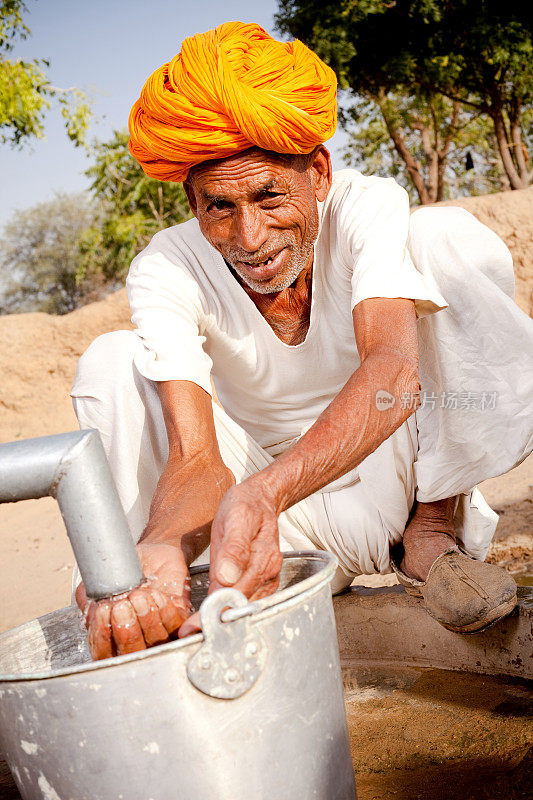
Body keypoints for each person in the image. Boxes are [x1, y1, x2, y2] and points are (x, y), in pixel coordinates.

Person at [72, 22, 533, 660]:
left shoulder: (366, 205)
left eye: (269, 196)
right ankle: (153, 588)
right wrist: (167, 543)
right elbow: (196, 460)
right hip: (257, 532)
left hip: (388, 487)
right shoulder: (166, 265)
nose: (250, 237)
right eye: (219, 208)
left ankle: (433, 535)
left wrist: (265, 493)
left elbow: (395, 376)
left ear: (317, 173)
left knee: (446, 240)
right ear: (192, 200)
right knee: (110, 360)